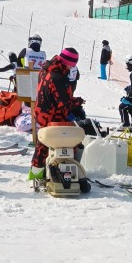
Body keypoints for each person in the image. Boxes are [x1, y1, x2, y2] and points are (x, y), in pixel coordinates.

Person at [28, 51, 85, 182]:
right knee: (70, 141)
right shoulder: (58, 77)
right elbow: (64, 103)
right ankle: (68, 172)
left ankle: (36, 172)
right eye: (72, 65)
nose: (71, 68)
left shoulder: (46, 69)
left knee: (42, 142)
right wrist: (78, 101)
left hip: (42, 112)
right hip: (53, 115)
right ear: (68, 63)